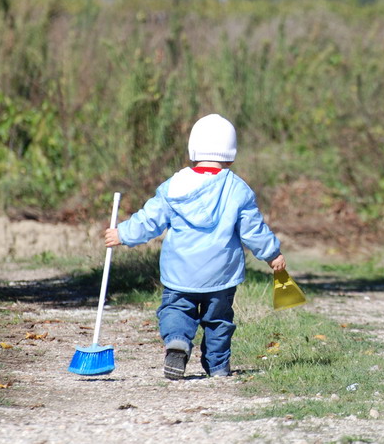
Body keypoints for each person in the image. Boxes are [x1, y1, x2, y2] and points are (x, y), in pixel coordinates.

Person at [104, 113, 286, 380]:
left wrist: (123, 233)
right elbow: (252, 229)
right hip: (221, 275)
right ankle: (218, 367)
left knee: (176, 310)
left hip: (180, 273)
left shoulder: (173, 186)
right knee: (219, 321)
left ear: (192, 150)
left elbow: (150, 219)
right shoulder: (237, 189)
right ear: (231, 154)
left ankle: (177, 341)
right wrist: (272, 253)